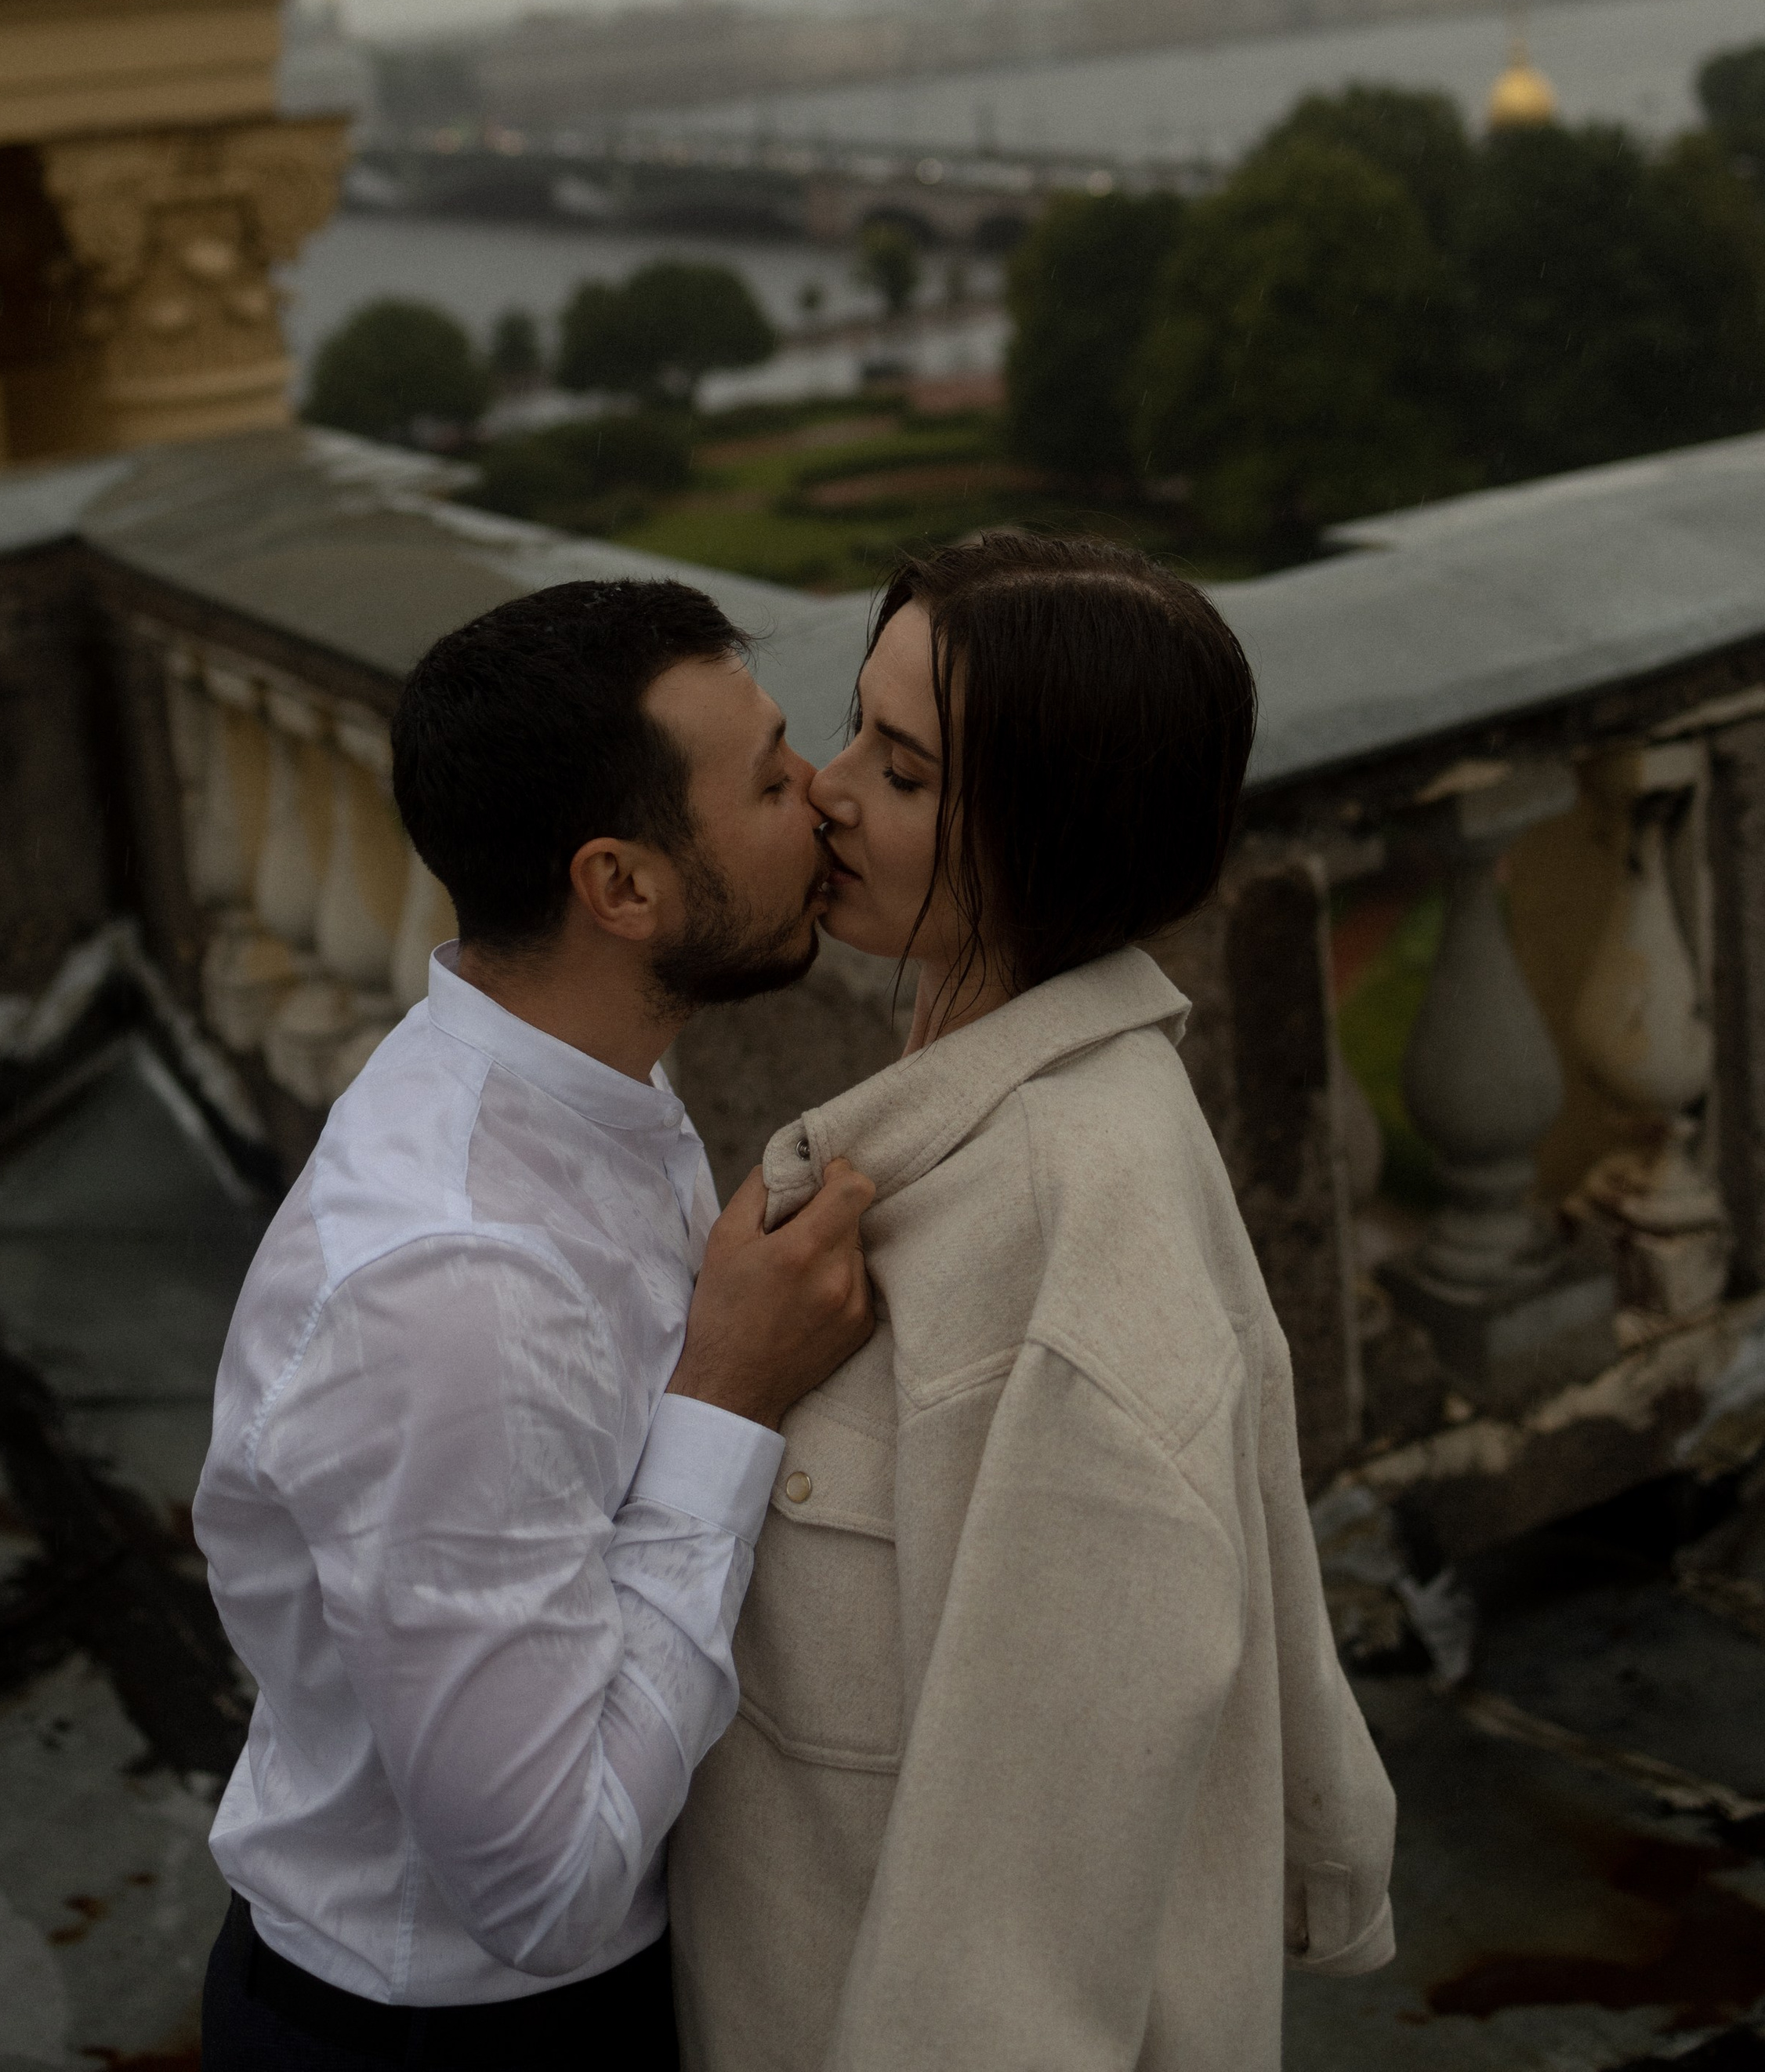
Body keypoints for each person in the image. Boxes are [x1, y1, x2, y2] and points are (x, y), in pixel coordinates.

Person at [672, 532, 1396, 2072]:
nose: (831, 789)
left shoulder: (1073, 1233)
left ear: (1058, 832)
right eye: (853, 728)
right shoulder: (974, 1111)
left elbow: (1022, 1938)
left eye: (909, 771)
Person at [193, 578, 875, 2069]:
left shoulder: (584, 1075)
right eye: (768, 780)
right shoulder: (453, 1292)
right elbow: (546, 1890)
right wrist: (728, 1401)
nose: (825, 796)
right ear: (621, 889)